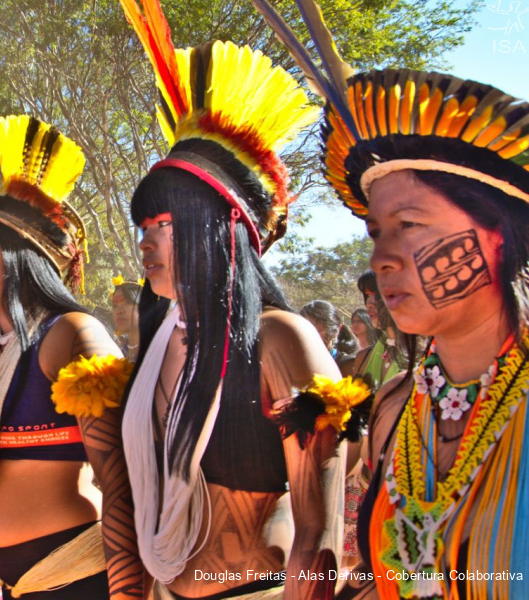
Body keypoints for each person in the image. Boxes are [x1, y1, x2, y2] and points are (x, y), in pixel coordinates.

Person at [253, 0, 529, 596]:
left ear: (499, 235)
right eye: (375, 232)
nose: (382, 258)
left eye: (410, 224)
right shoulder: (396, 409)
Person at [119, 1, 352, 597]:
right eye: (142, 226)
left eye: (163, 224)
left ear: (219, 229)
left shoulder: (281, 340)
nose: (145, 242)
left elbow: (317, 535)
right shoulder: (162, 340)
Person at [0, 4, 140, 598]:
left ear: (21, 262)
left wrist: (127, 591)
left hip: (79, 573)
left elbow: (116, 481)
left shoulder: (72, 334)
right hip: (5, 577)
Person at [300, 300, 359, 376]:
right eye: (302, 329)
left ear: (335, 332)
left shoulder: (348, 366)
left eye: (314, 331)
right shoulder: (294, 363)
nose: (306, 335)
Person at [111, 276, 142, 362]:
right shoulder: (117, 353)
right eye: (114, 306)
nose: (118, 311)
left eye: (127, 303)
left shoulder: (158, 347)